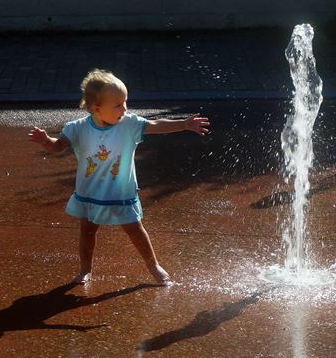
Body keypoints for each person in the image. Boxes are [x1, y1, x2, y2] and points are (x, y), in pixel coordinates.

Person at [28, 69, 209, 285]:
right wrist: (45, 140)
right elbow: (57, 147)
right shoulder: (77, 128)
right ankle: (85, 270)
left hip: (120, 192)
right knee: (87, 232)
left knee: (135, 230)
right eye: (118, 105)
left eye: (125, 102)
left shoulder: (128, 124)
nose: (124, 108)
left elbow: (155, 125)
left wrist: (183, 124)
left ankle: (154, 266)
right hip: (90, 193)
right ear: (96, 108)